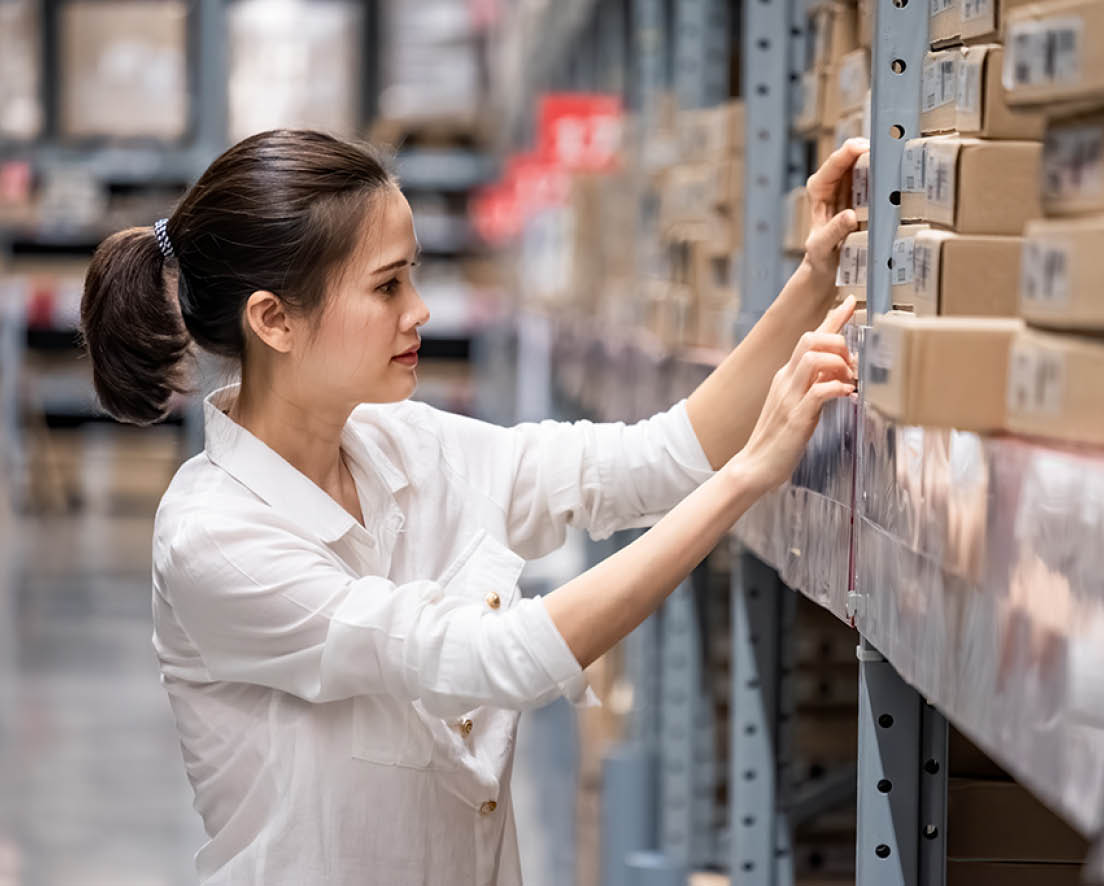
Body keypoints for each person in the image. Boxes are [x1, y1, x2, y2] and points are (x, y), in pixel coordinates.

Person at [79, 128, 864, 885]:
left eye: (413, 275)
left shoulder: (405, 444)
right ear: (274, 320)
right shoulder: (215, 537)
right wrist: (747, 479)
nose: (419, 309)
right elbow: (497, 659)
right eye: (387, 285)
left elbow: (656, 459)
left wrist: (813, 281)